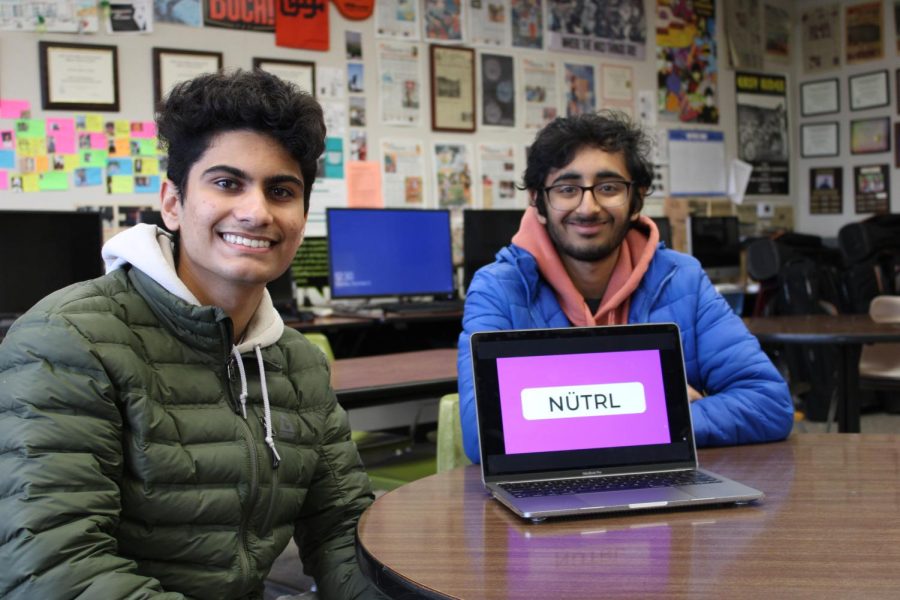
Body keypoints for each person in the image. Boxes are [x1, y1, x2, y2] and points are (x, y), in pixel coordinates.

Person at [0, 70, 386, 599]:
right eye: (227, 183)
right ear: (173, 202)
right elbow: (53, 571)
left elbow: (342, 530)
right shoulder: (67, 340)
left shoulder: (297, 363)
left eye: (281, 190)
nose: (255, 212)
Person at [457, 111, 793, 464]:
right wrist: (665, 409)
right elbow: (484, 436)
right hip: (547, 500)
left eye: (608, 187)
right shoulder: (498, 288)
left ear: (637, 200)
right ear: (538, 203)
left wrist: (574, 419)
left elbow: (769, 404)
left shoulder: (682, 279)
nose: (588, 207)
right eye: (567, 189)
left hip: (670, 494)